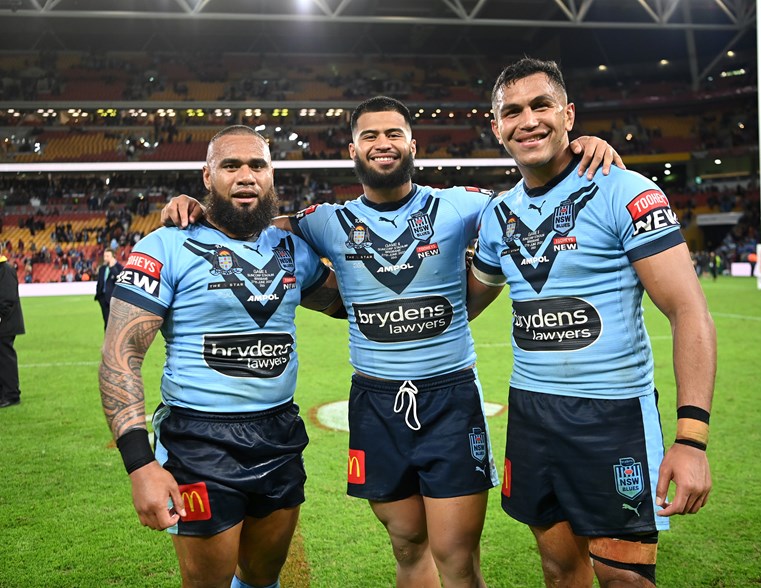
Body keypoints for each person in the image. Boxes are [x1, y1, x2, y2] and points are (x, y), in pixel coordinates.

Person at [161, 97, 623, 587]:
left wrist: (573, 153)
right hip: (376, 402)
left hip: (449, 397)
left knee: (456, 556)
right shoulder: (325, 220)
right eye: (370, 136)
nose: (382, 144)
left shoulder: (462, 205)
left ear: (412, 145)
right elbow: (248, 223)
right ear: (353, 150)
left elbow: (532, 198)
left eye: (393, 134)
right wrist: (197, 208)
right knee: (406, 546)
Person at [468, 57, 715, 587]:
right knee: (560, 569)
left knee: (624, 577)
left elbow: (688, 310)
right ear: (496, 127)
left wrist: (692, 440)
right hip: (532, 413)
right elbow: (466, 303)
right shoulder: (496, 216)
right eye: (512, 111)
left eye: (541, 105)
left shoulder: (625, 191)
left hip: (614, 415)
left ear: (569, 114)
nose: (527, 120)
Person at [99, 125, 344, 588]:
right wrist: (140, 464)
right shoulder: (165, 246)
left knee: (263, 577)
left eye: (258, 165)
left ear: (272, 176)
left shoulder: (292, 249)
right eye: (231, 165)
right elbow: (121, 354)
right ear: (207, 176)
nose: (246, 175)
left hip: (279, 432)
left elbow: (348, 305)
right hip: (199, 442)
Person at [0, 254, 24, 408]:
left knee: (6, 359)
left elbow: (7, 298)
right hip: (4, 322)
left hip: (5, 323)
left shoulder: (5, 269)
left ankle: (11, 394)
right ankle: (4, 393)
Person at [94, 247, 123, 328]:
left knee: (115, 322)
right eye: (104, 256)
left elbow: (119, 278)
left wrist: (112, 267)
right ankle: (107, 336)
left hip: (114, 298)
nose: (105, 258)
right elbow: (100, 282)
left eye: (107, 256)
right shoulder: (102, 268)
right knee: (106, 321)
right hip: (103, 298)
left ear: (113, 257)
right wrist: (99, 295)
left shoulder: (119, 267)